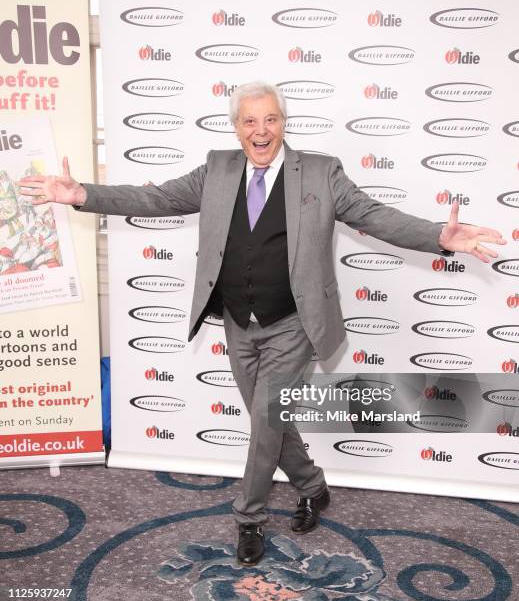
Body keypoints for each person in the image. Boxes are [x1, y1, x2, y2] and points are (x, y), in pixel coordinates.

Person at [18, 81, 505, 567]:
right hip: (237, 320)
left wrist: (438, 236)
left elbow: (375, 216)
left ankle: (248, 518)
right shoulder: (216, 169)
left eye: (269, 119)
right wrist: (84, 193)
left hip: (293, 322)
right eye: (249, 121)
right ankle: (314, 486)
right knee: (267, 417)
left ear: (283, 122)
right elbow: (158, 200)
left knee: (267, 420)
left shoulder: (320, 172)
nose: (260, 130)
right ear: (236, 127)